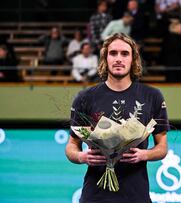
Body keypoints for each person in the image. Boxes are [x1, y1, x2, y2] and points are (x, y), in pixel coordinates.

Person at [65, 33, 169, 203]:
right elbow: (71, 145)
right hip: (95, 196)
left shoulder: (152, 96)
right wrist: (81, 157)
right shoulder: (85, 97)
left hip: (136, 195)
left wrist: (144, 155)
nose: (118, 59)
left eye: (124, 53)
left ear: (133, 59)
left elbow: (162, 147)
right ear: (105, 58)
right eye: (113, 53)